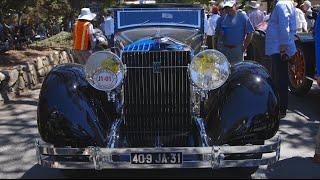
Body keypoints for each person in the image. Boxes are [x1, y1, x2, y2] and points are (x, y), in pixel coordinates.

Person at [265, 0, 297, 118]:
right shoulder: (285, 3)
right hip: (278, 47)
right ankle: (279, 107)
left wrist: (283, 48)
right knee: (279, 78)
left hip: (278, 48)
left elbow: (284, 26)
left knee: (280, 80)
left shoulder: (281, 4)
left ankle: (281, 109)